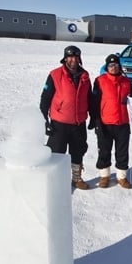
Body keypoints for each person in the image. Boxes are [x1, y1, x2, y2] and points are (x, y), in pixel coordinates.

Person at [40, 45, 93, 190]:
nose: (73, 60)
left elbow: (90, 98)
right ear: (65, 59)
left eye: (76, 57)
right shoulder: (55, 75)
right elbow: (45, 98)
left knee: (78, 152)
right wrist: (45, 120)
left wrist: (93, 117)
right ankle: (54, 180)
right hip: (59, 123)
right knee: (56, 153)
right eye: (70, 57)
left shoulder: (85, 76)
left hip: (78, 123)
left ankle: (76, 178)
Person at [92, 54, 132, 188]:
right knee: (104, 150)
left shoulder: (127, 82)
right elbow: (95, 102)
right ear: (106, 67)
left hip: (122, 123)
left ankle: (121, 177)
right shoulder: (100, 81)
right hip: (105, 122)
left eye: (115, 65)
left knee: (122, 151)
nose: (113, 67)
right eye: (110, 65)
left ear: (119, 66)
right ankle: (104, 176)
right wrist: (96, 121)